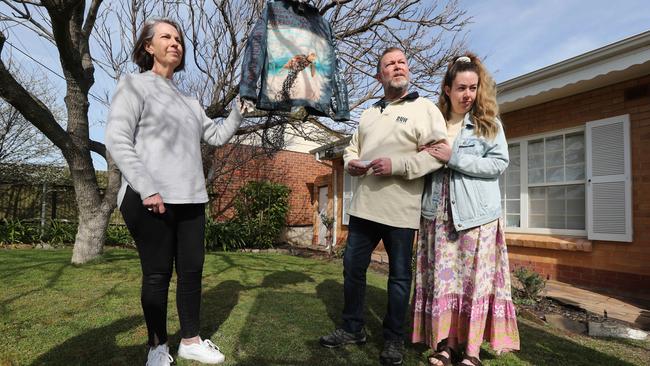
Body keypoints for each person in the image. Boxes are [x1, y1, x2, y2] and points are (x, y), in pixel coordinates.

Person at [105, 18, 243, 366]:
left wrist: (240, 110)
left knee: (192, 271)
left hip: (192, 199)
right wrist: (147, 187)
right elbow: (117, 140)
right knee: (157, 274)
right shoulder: (133, 86)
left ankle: (191, 341)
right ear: (148, 47)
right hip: (151, 198)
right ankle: (156, 347)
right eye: (166, 37)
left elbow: (216, 136)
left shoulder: (191, 102)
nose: (175, 42)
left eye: (179, 38)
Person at [319, 47, 447, 366]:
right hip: (363, 208)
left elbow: (441, 152)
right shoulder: (368, 113)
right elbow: (351, 149)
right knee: (352, 269)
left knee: (400, 277)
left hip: (401, 212)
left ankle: (393, 339)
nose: (397, 66)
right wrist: (350, 164)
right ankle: (352, 328)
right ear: (380, 75)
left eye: (402, 62)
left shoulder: (425, 109)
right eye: (390, 64)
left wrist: (398, 165)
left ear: (408, 71)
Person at [411, 53, 520, 366]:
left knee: (473, 285)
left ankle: (471, 353)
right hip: (437, 216)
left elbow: (499, 163)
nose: (467, 94)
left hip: (476, 219)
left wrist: (453, 157)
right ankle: (446, 346)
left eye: (473, 88)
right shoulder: (435, 123)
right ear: (447, 89)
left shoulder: (488, 124)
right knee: (444, 283)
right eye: (461, 87)